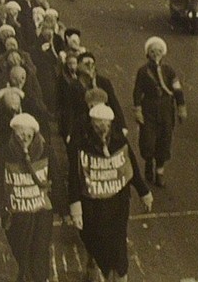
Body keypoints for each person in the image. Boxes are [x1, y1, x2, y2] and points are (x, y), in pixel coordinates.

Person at [68, 104, 152, 282]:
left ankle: (120, 275)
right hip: (91, 203)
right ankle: (95, 262)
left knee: (118, 242)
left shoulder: (119, 140)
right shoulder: (81, 144)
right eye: (98, 125)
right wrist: (75, 208)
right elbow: (74, 176)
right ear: (92, 124)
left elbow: (132, 167)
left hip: (117, 202)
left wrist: (144, 192)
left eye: (105, 125)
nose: (102, 129)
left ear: (110, 124)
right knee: (92, 237)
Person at [0, 113, 53, 282]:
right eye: (20, 135)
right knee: (20, 250)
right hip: (17, 213)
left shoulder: (45, 151)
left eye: (28, 135)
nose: (24, 139)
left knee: (40, 250)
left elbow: (56, 177)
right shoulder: (5, 152)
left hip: (41, 211)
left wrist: (65, 208)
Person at [132, 37, 187, 187]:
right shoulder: (143, 71)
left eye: (159, 51)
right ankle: (149, 162)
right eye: (152, 51)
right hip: (149, 109)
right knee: (148, 141)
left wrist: (181, 107)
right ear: (148, 54)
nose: (156, 54)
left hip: (166, 110)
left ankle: (160, 172)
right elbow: (137, 91)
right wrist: (138, 109)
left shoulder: (169, 71)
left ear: (163, 53)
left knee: (164, 141)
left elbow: (177, 90)